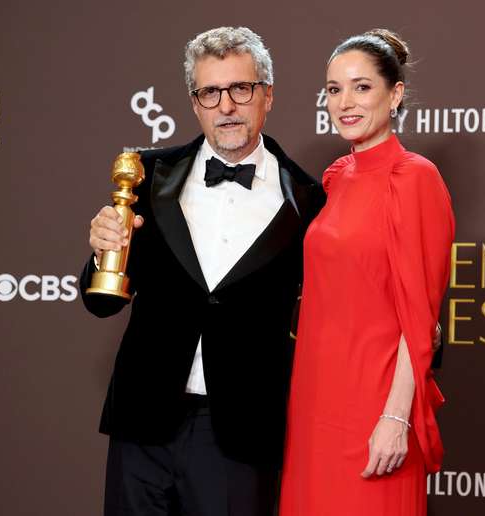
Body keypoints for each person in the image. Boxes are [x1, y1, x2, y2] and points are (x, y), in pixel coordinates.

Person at [79, 27, 324, 516]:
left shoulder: (309, 200)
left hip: (239, 434)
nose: (226, 106)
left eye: (241, 89)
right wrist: (102, 252)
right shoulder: (148, 175)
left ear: (268, 95)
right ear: (195, 103)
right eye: (210, 92)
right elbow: (100, 301)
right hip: (143, 423)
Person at [279, 29, 455, 516]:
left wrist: (396, 416)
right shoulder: (337, 177)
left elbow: (419, 317)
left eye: (361, 87)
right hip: (314, 399)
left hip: (375, 403)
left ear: (395, 94)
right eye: (334, 89)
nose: (345, 103)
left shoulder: (415, 178)